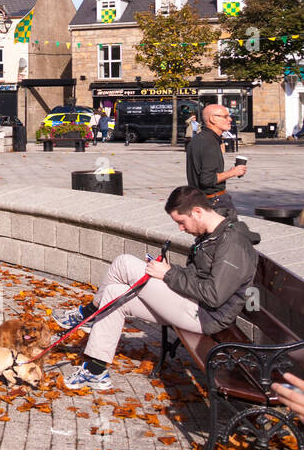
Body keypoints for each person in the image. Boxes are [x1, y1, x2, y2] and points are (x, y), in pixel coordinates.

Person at [53, 185, 260, 390]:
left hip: (205, 316)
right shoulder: (213, 234)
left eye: (181, 221)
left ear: (197, 212)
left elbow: (214, 295)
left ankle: (87, 314)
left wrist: (168, 274)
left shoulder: (232, 244)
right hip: (193, 304)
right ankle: (96, 371)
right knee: (113, 293)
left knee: (124, 263)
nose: (181, 228)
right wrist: (170, 270)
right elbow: (199, 276)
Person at [185, 103, 246, 218]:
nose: (230, 119)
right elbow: (207, 179)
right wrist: (233, 172)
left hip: (199, 200)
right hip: (215, 202)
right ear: (212, 119)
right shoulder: (209, 142)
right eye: (225, 116)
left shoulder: (198, 139)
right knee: (231, 235)